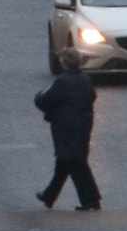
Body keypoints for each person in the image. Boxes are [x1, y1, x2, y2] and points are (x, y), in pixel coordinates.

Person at [34, 65, 102, 211]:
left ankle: (91, 200)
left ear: (65, 63)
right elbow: (93, 96)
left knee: (75, 162)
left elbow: (45, 100)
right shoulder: (85, 78)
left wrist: (38, 98)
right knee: (64, 161)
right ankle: (49, 196)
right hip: (84, 124)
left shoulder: (62, 81)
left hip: (66, 127)